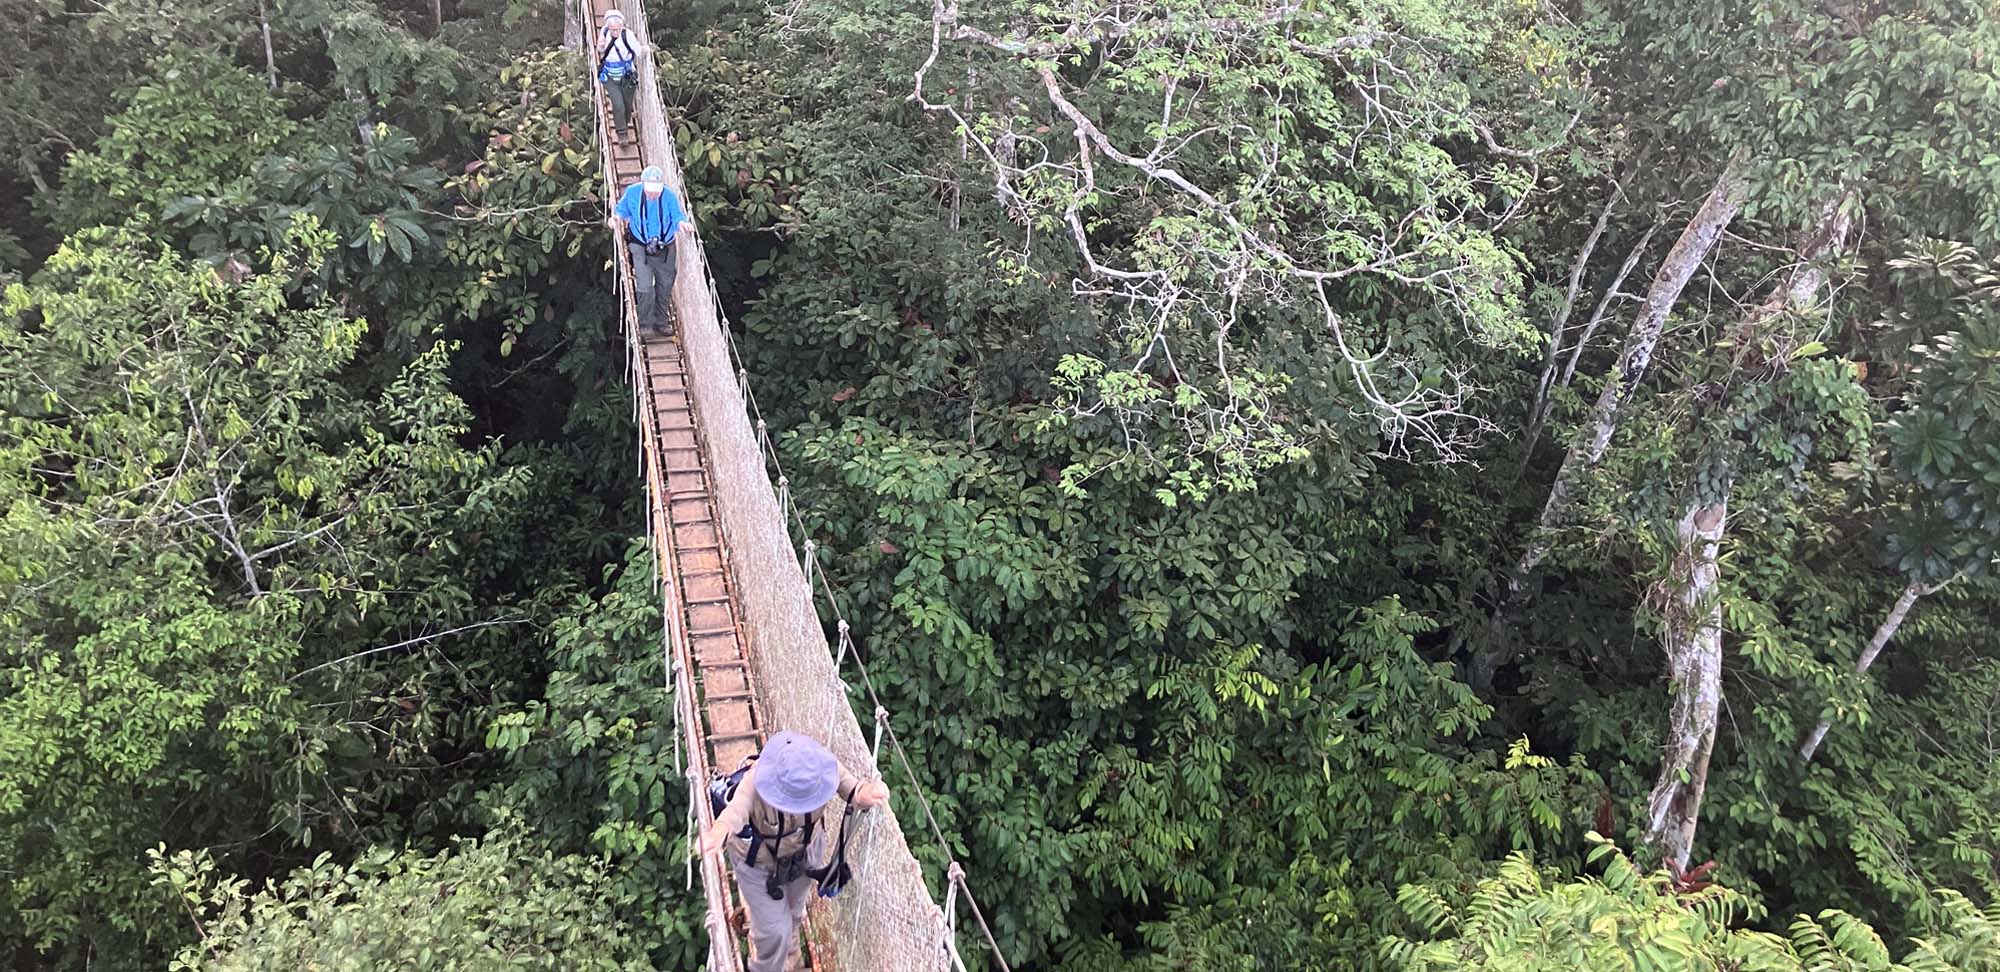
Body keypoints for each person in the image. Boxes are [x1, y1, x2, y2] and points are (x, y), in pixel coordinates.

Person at [700, 732, 889, 972]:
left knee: (795, 910)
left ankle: (789, 946)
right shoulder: (756, 778)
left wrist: (866, 793)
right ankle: (765, 968)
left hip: (805, 854)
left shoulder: (821, 766)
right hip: (758, 863)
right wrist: (718, 833)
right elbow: (736, 811)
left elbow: (852, 789)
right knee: (774, 931)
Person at [608, 165, 686, 334]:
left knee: (664, 286)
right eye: (650, 191)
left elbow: (678, 216)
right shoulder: (632, 192)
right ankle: (645, 324)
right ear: (643, 185)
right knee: (645, 287)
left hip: (665, 248)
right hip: (640, 245)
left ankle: (661, 321)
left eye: (656, 192)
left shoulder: (669, 196)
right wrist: (615, 218)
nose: (652, 195)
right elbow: (620, 209)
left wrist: (683, 225)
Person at [595, 10, 644, 143]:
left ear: (622, 26)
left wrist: (646, 50)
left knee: (627, 106)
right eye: (612, 30)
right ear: (608, 27)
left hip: (626, 76)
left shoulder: (627, 35)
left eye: (617, 29)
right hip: (609, 77)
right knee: (618, 105)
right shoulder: (604, 32)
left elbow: (638, 51)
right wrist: (600, 44)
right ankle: (622, 133)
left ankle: (624, 120)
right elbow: (600, 50)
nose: (615, 32)